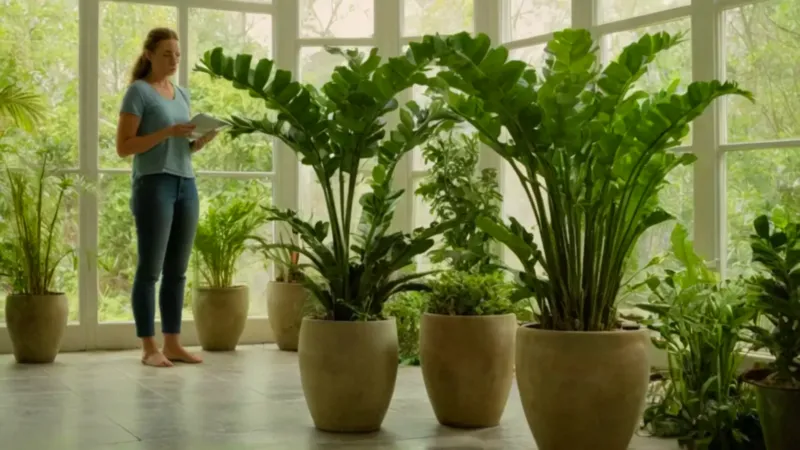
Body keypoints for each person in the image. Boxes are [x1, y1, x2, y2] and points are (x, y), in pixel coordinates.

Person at [115, 27, 218, 367]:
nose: (174, 60)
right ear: (149, 55)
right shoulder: (138, 92)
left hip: (186, 183)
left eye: (177, 54)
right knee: (150, 269)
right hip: (153, 184)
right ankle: (149, 347)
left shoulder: (182, 93)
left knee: (177, 270)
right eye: (166, 54)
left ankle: (172, 343)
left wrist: (198, 143)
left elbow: (180, 146)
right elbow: (124, 147)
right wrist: (167, 132)